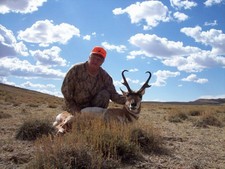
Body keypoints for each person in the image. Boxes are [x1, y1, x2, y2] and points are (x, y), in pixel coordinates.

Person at [61, 46, 126, 115]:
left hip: (93, 108)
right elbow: (66, 90)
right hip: (74, 106)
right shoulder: (76, 69)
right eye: (93, 58)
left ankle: (95, 118)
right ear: (89, 57)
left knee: (105, 94)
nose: (95, 61)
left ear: (102, 62)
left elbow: (113, 95)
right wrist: (74, 109)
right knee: (71, 121)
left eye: (99, 60)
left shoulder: (105, 76)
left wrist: (131, 100)